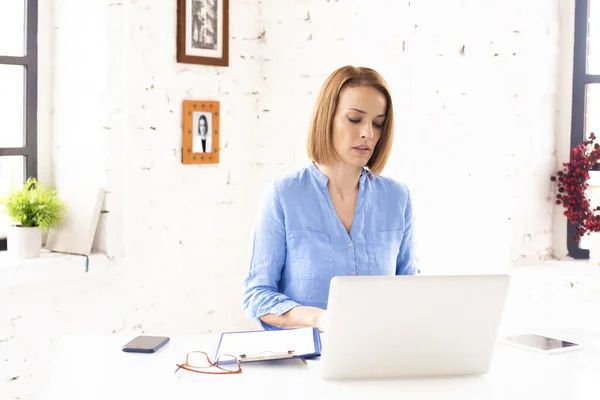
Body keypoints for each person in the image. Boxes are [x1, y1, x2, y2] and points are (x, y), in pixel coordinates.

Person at [241, 65, 419, 332]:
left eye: (378, 123)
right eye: (354, 119)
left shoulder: (398, 198)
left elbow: (412, 292)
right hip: (303, 364)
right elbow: (257, 296)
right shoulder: (284, 195)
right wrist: (317, 319)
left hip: (380, 358)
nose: (367, 133)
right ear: (328, 118)